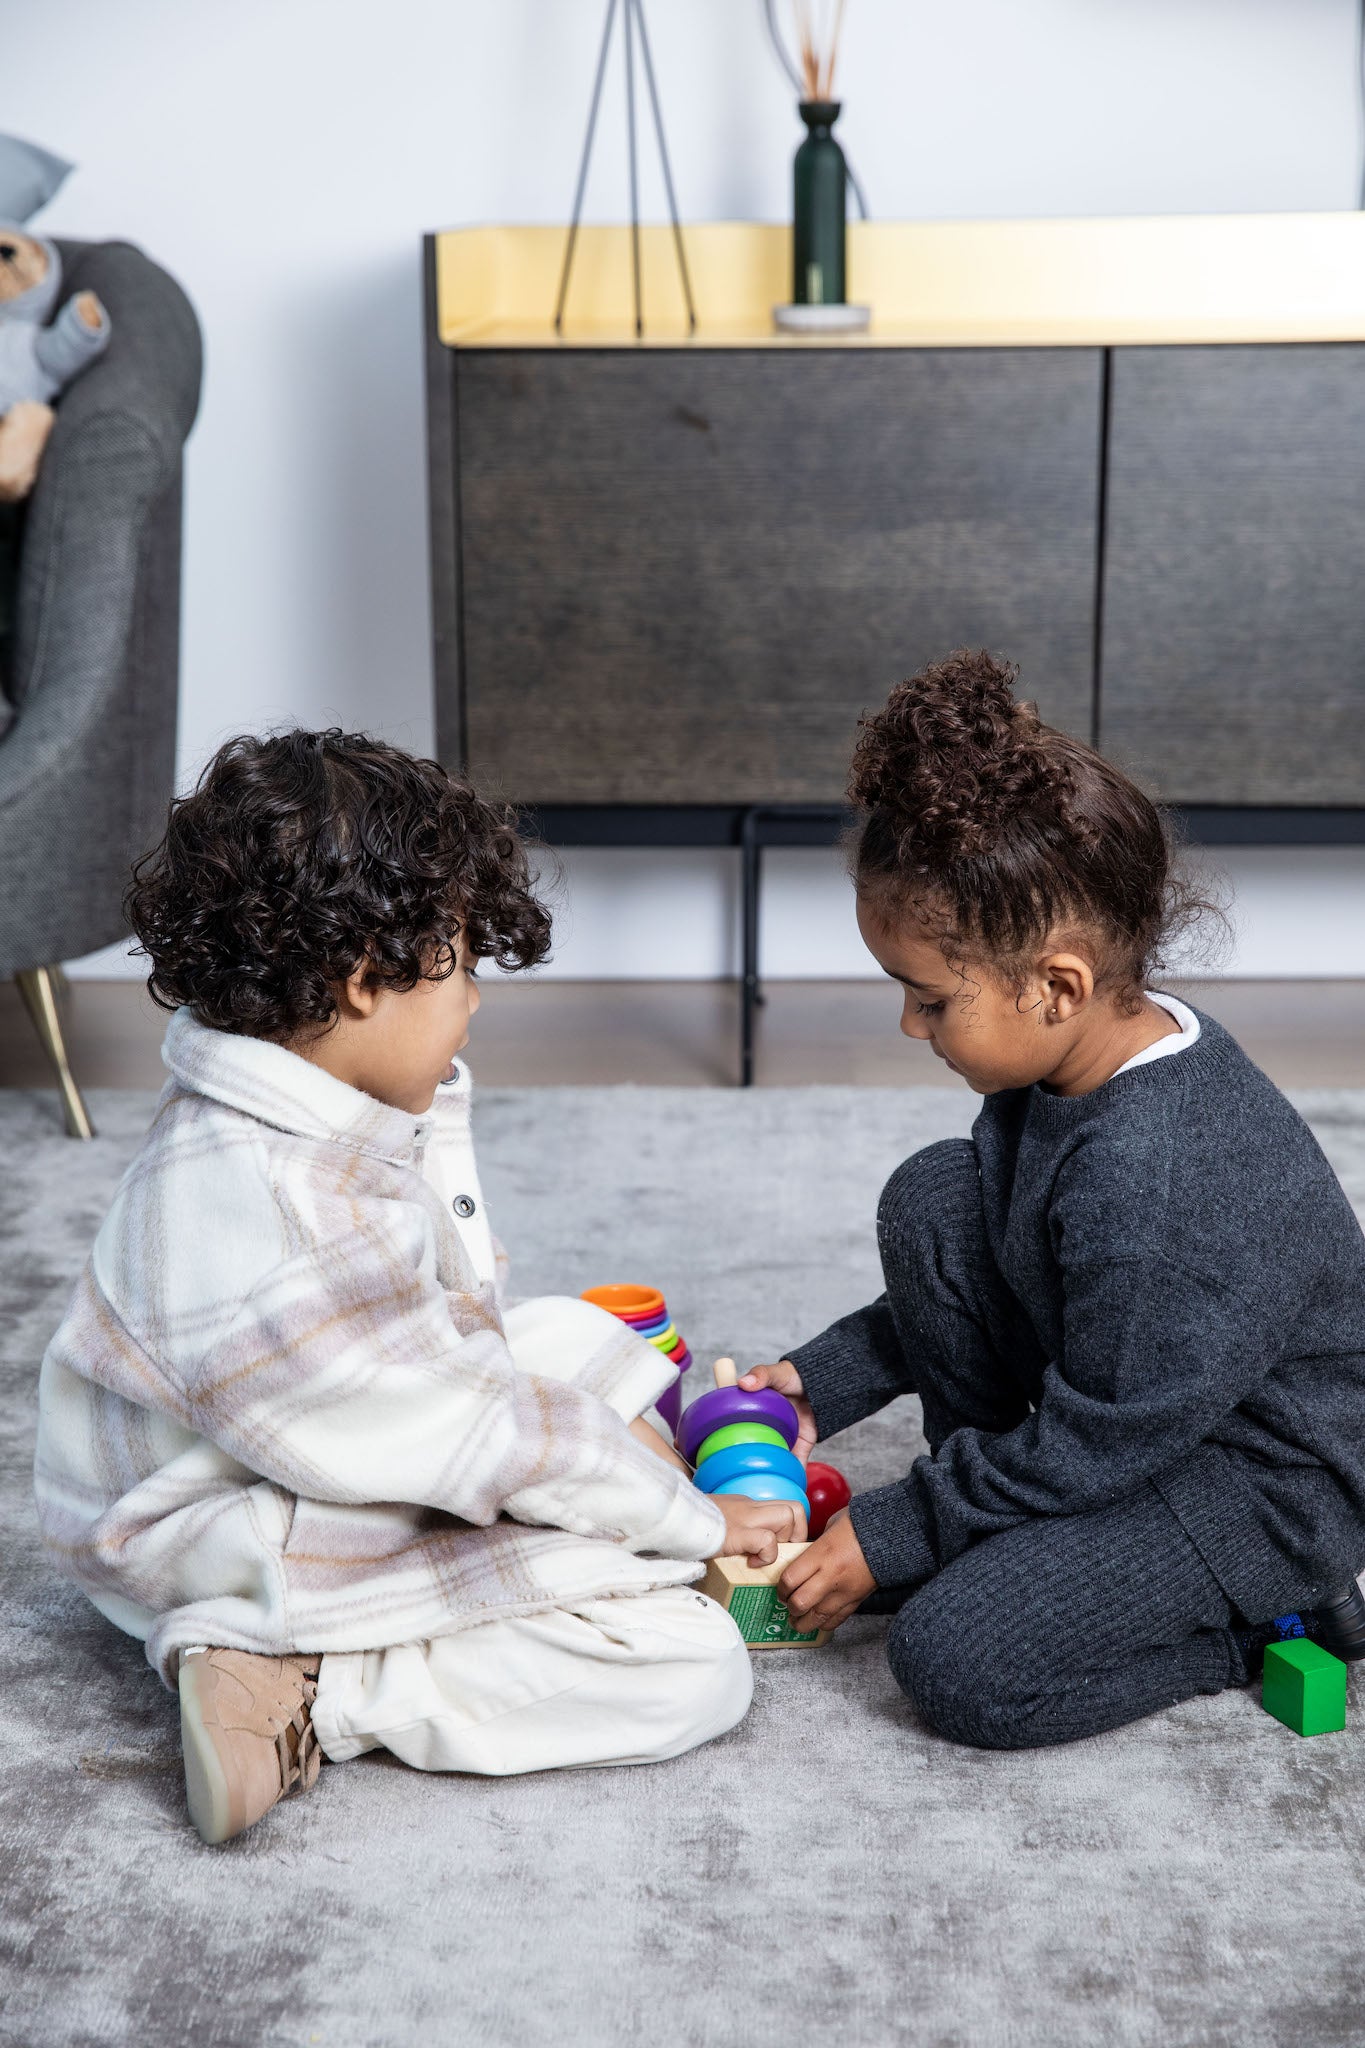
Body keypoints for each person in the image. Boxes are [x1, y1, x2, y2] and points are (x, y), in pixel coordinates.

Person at [34, 731, 800, 1842]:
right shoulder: (274, 1218)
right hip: (218, 1523)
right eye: (462, 965)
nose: (476, 1002)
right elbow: (474, 1429)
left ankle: (588, 1495)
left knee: (580, 1337)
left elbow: (452, 1324)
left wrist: (605, 1441)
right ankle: (302, 1684)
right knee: (689, 1659)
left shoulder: (293, 1083)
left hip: (312, 1423)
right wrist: (683, 1518)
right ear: (359, 983)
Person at [743, 650, 1365, 1749]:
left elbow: (1098, 1439)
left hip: (1250, 1484)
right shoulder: (1065, 1065)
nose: (909, 1025)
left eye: (930, 999)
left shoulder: (1158, 1184)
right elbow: (993, 1246)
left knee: (955, 1660)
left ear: (1058, 983)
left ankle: (1276, 1616)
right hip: (1139, 1400)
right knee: (939, 1195)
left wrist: (899, 1529)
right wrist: (823, 1381)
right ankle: (997, 1528)